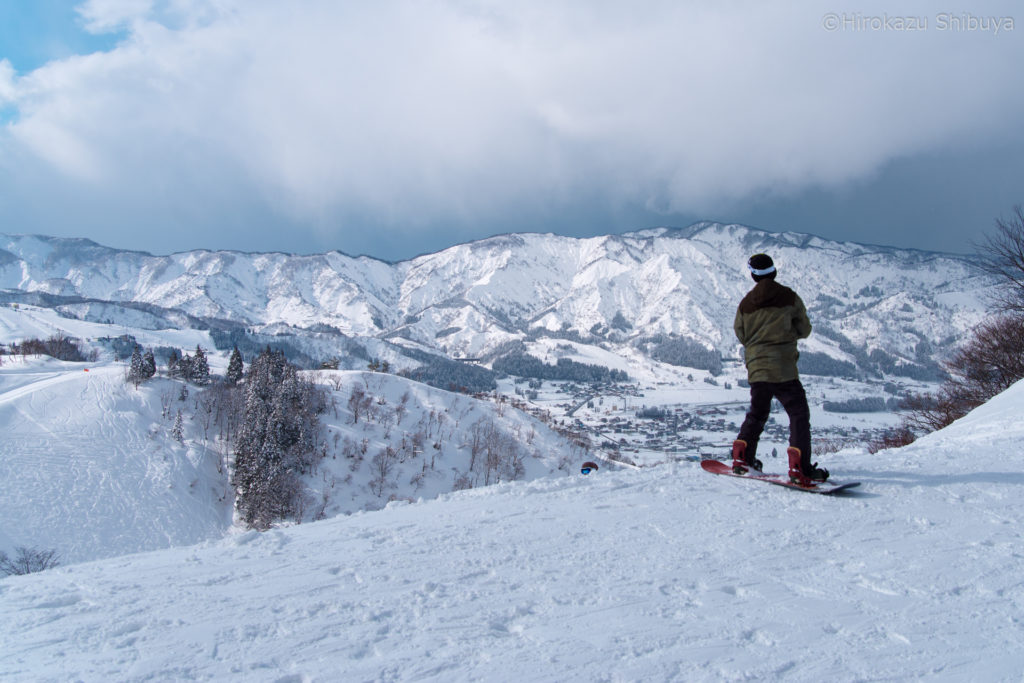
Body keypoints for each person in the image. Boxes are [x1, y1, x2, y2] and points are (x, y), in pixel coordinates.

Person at [731, 253, 828, 484]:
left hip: (757, 369)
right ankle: (800, 467)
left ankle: (742, 458)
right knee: (798, 413)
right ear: (774, 271)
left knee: (757, 413)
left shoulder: (745, 304)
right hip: (783, 368)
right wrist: (785, 334)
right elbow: (804, 329)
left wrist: (758, 345)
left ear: (753, 275)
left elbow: (741, 334)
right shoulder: (789, 297)